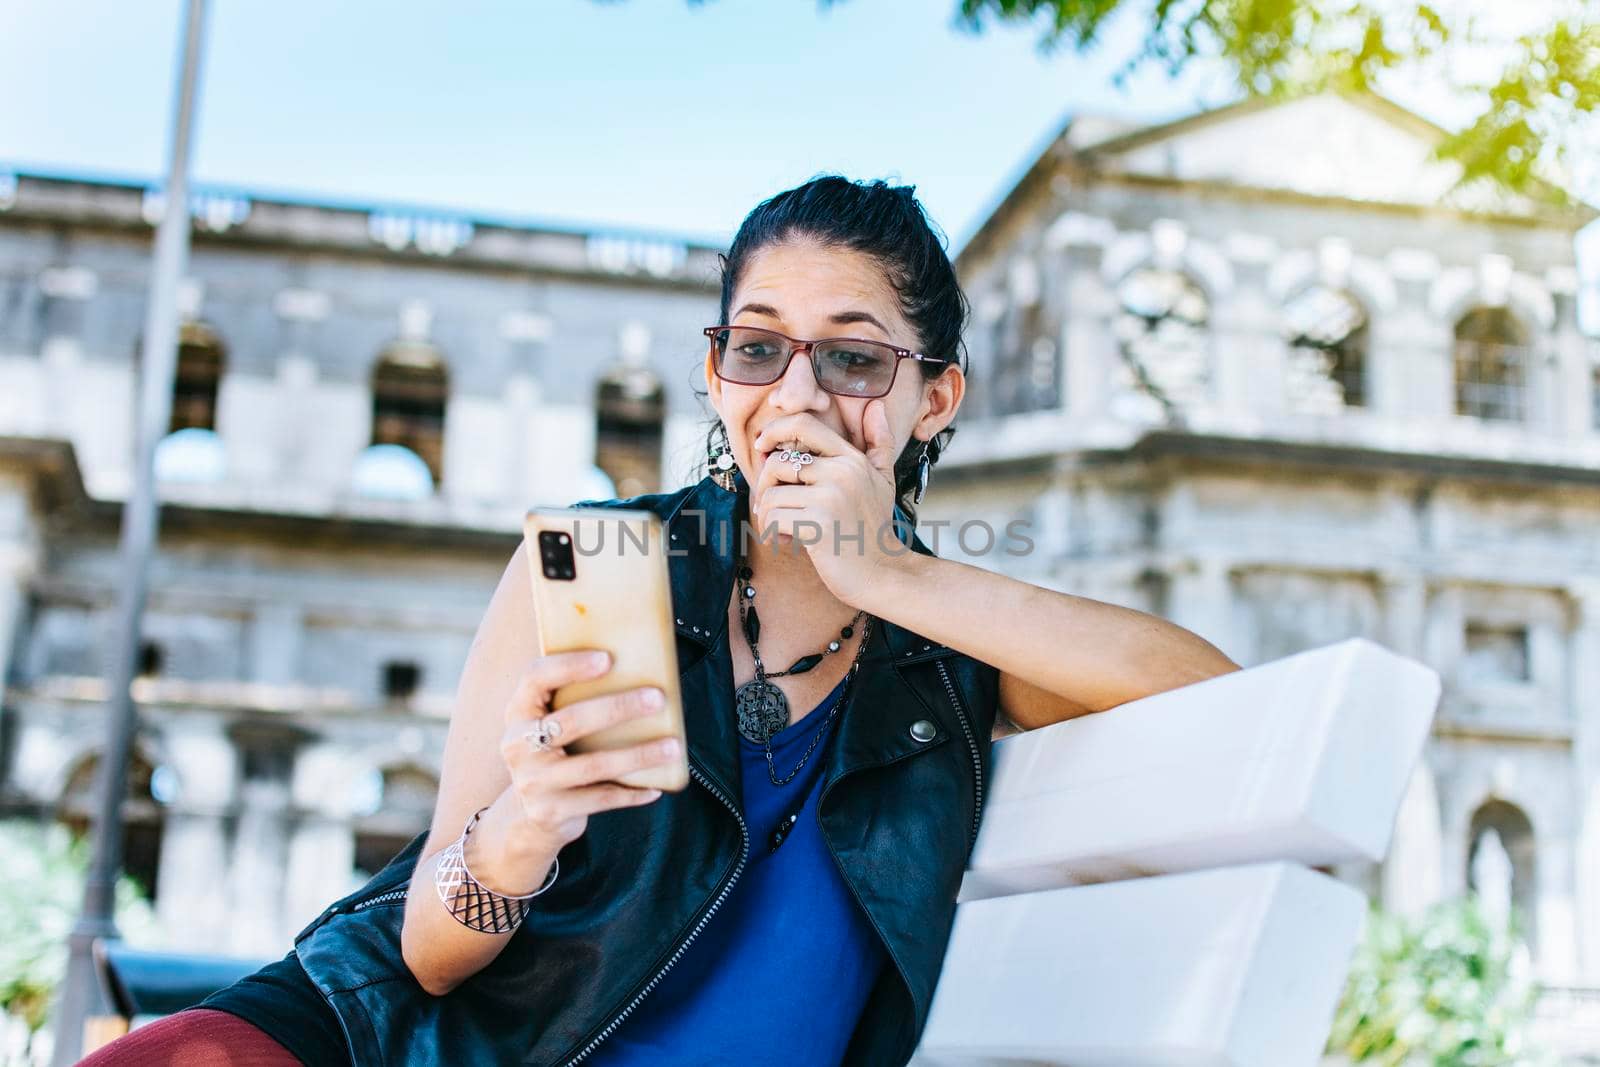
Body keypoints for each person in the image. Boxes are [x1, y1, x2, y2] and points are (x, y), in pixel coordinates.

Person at [80, 176, 1238, 1067]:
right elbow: (429, 949)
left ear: (933, 394)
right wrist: (522, 827)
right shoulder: (592, 562)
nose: (793, 393)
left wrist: (887, 572)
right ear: (717, 373)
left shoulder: (962, 659)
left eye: (850, 355)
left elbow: (1219, 710)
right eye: (757, 345)